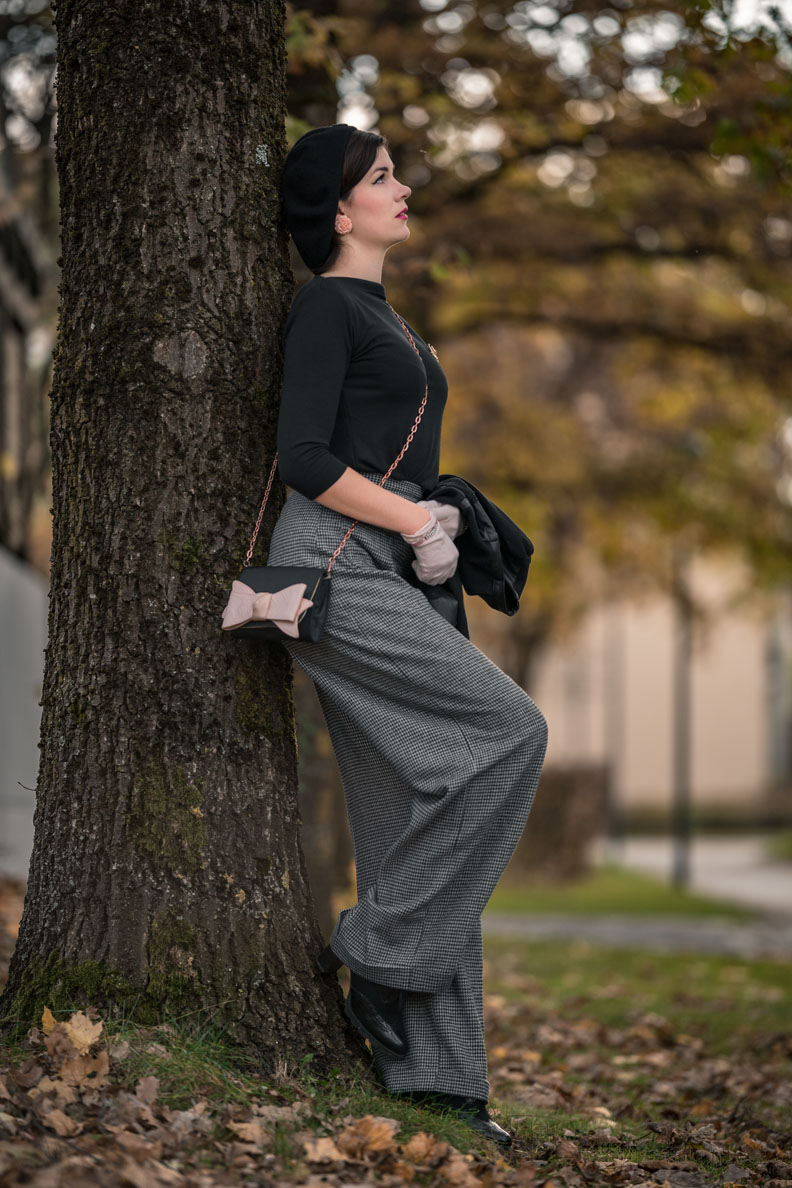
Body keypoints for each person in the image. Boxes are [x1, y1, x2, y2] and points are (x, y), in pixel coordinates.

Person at [268, 123, 549, 1146]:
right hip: (338, 559)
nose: (405, 186)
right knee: (509, 736)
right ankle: (377, 958)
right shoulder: (328, 307)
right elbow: (302, 455)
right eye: (382, 178)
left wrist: (440, 523)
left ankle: (438, 1084)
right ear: (338, 211)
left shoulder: (386, 315)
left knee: (422, 816)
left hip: (393, 560)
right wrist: (413, 520)